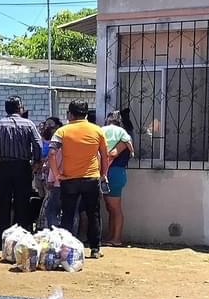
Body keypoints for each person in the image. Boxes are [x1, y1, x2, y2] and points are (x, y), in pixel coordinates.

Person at [50, 100, 110, 258]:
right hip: (91, 178)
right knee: (93, 214)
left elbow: (52, 153)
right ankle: (95, 248)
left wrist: (57, 175)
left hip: (69, 180)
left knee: (67, 215)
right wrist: (103, 174)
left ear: (70, 114)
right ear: (86, 114)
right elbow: (105, 155)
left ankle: (65, 250)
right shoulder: (97, 130)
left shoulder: (62, 131)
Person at [0, 96, 42, 249]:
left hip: (3, 167)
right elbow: (37, 143)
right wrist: (36, 161)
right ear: (19, 108)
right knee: (22, 203)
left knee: (2, 204)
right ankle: (21, 239)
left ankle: (1, 241)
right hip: (23, 167)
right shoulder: (29, 124)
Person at [101, 110, 135, 247]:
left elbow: (113, 154)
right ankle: (111, 236)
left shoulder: (123, 138)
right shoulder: (121, 136)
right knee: (110, 208)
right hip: (111, 173)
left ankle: (116, 238)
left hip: (115, 173)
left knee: (115, 208)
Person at [36, 116, 63, 230]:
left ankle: (49, 228)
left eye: (51, 125)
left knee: (50, 205)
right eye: (46, 125)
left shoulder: (59, 141)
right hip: (44, 174)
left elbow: (54, 159)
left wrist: (52, 178)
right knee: (45, 200)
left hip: (55, 178)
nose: (48, 128)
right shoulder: (42, 140)